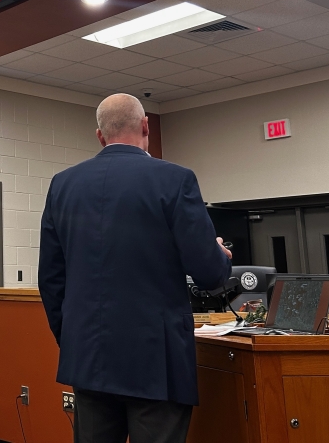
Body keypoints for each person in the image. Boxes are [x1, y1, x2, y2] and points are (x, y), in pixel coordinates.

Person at [38, 93, 232, 443]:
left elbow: (51, 281)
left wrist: (73, 338)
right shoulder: (175, 179)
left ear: (99, 135)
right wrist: (218, 253)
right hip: (156, 362)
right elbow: (208, 273)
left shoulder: (62, 185)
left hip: (88, 356)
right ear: (146, 126)